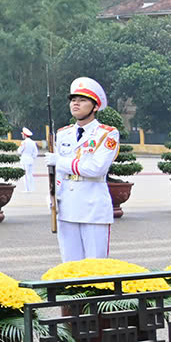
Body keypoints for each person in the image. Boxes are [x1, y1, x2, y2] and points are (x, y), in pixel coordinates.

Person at [48, 77, 120, 263]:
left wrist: (60, 162)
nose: (76, 104)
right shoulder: (63, 133)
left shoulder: (107, 133)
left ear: (95, 107)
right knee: (69, 264)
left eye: (82, 100)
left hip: (92, 205)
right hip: (67, 204)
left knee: (95, 266)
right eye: (73, 100)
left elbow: (96, 168)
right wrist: (53, 196)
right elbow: (59, 174)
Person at [18, 128, 39, 193]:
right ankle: (31, 188)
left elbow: (19, 151)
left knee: (26, 175)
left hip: (25, 160)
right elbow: (35, 152)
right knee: (30, 174)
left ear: (24, 135)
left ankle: (27, 189)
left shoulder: (24, 142)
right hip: (30, 160)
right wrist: (32, 158)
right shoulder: (33, 142)